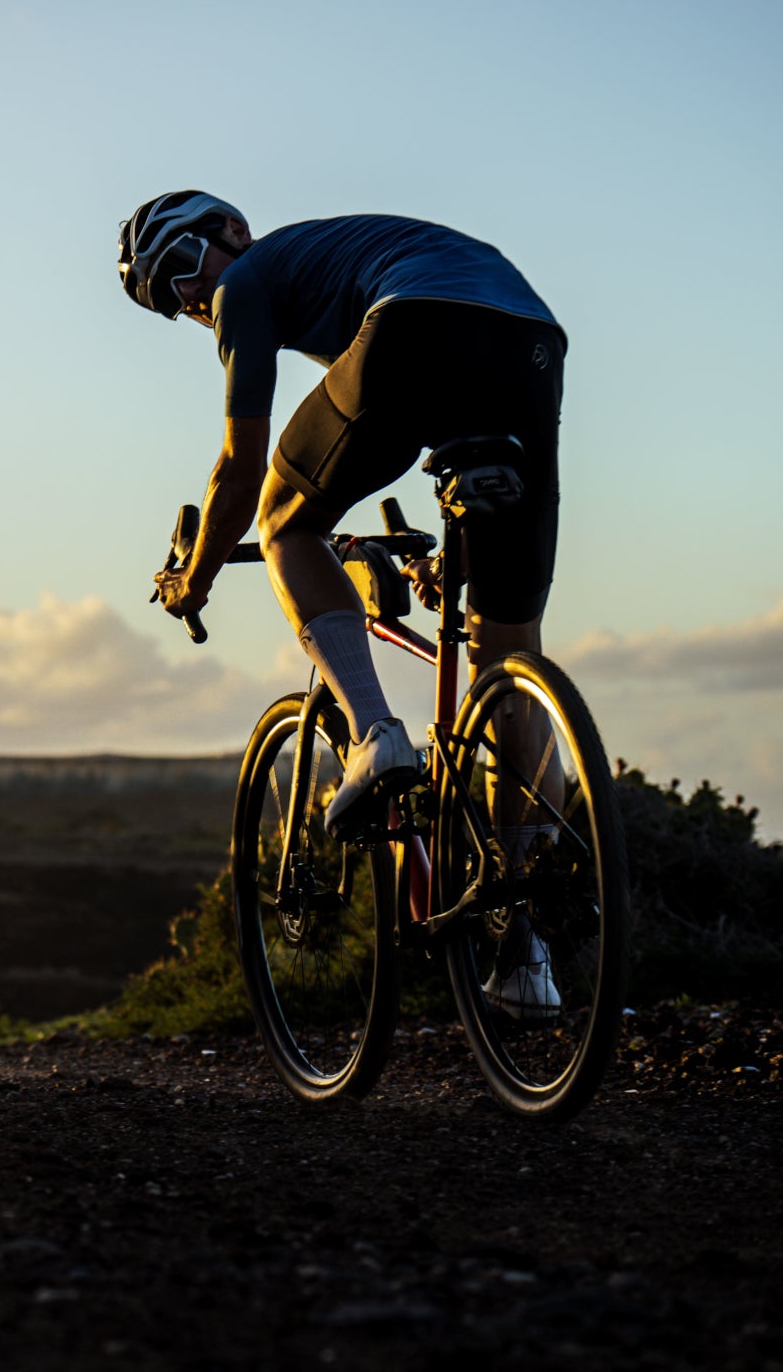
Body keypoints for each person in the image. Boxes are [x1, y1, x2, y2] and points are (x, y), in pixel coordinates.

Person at [120, 191, 567, 1013]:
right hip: (530, 342)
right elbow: (416, 414)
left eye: (178, 272)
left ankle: (376, 738)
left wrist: (198, 575)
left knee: (287, 524)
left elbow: (242, 466)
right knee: (509, 656)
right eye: (165, 302)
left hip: (414, 323)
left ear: (229, 233)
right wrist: (441, 559)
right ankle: (524, 939)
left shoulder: (246, 283)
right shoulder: (330, 276)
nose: (187, 301)